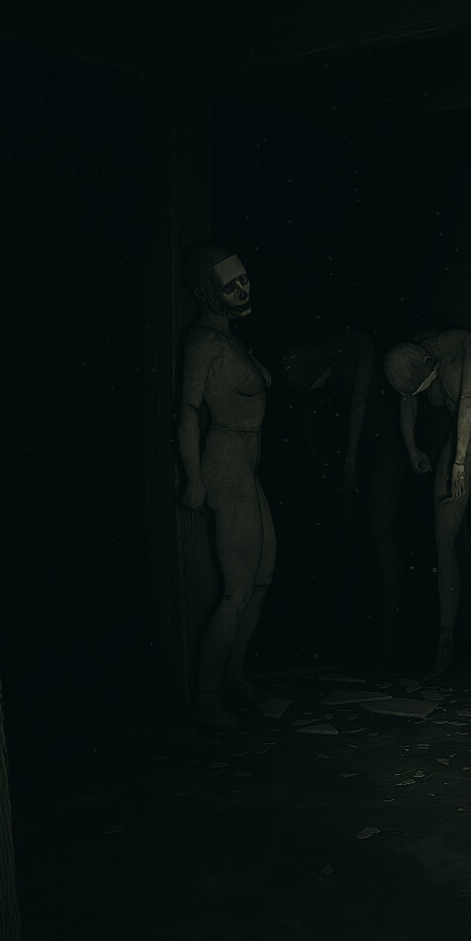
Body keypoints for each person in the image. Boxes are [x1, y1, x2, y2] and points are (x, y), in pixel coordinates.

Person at [176, 245, 277, 730]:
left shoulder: (227, 338)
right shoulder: (204, 343)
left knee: (262, 577)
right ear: (205, 294)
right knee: (237, 590)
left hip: (245, 465)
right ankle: (206, 700)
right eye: (230, 286)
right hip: (226, 464)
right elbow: (187, 413)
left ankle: (233, 676)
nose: (243, 290)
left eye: (244, 280)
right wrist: (194, 479)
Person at [383, 330, 471, 683]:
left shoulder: (464, 344)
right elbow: (408, 398)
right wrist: (411, 448)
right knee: (443, 541)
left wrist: (459, 462)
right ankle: (445, 642)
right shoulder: (414, 355)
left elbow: (468, 400)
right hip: (458, 440)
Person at [281, 330, 405, 667]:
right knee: (344, 532)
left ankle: (390, 637)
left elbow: (360, 400)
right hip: (354, 443)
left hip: (382, 437)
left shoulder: (358, 347)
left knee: (381, 530)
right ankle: (349, 628)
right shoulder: (314, 362)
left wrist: (350, 455)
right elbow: (309, 406)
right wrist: (316, 453)